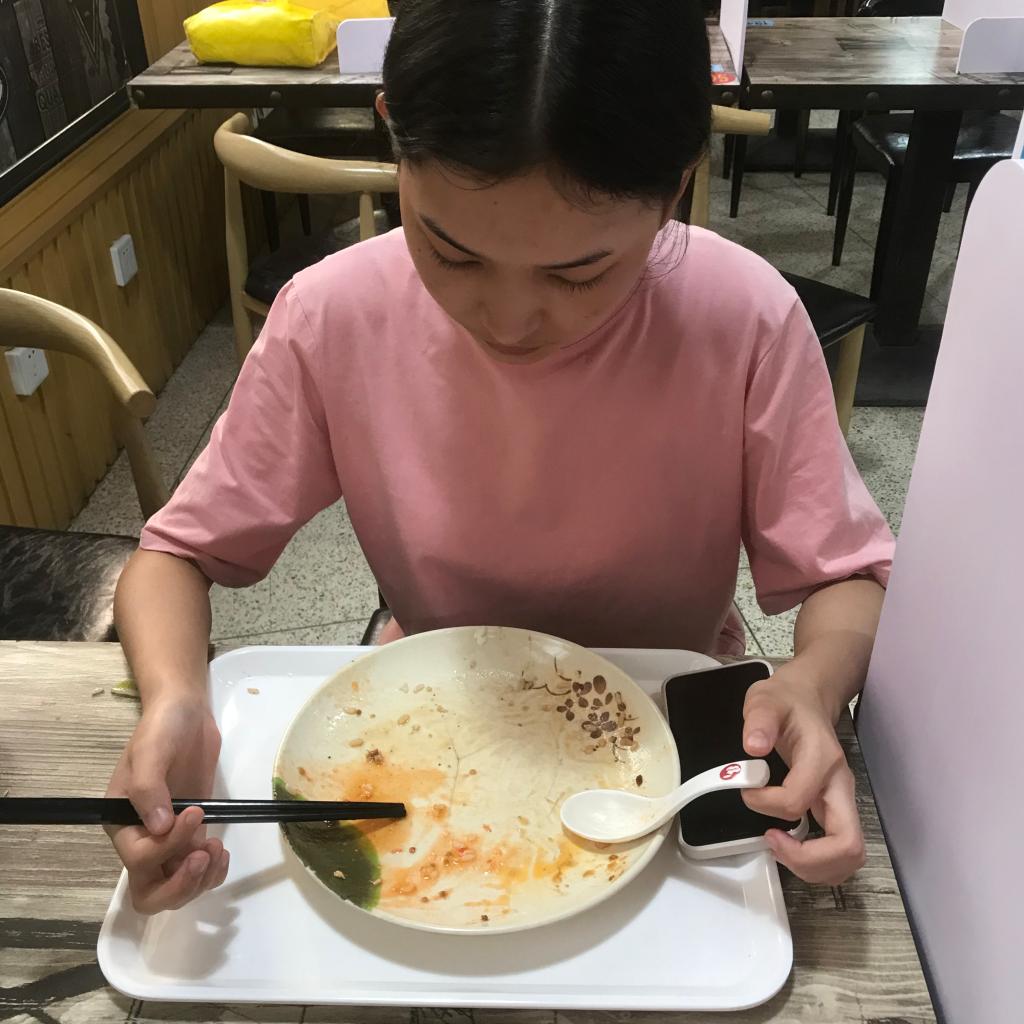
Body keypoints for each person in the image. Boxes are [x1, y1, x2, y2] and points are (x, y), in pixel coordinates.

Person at [107, 0, 893, 914]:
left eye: (579, 272)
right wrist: (177, 702)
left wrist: (812, 685)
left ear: (677, 186)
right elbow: (176, 555)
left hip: (671, 747)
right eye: (451, 251)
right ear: (392, 133)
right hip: (428, 732)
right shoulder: (334, 316)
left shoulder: (744, 319)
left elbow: (847, 575)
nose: (510, 322)